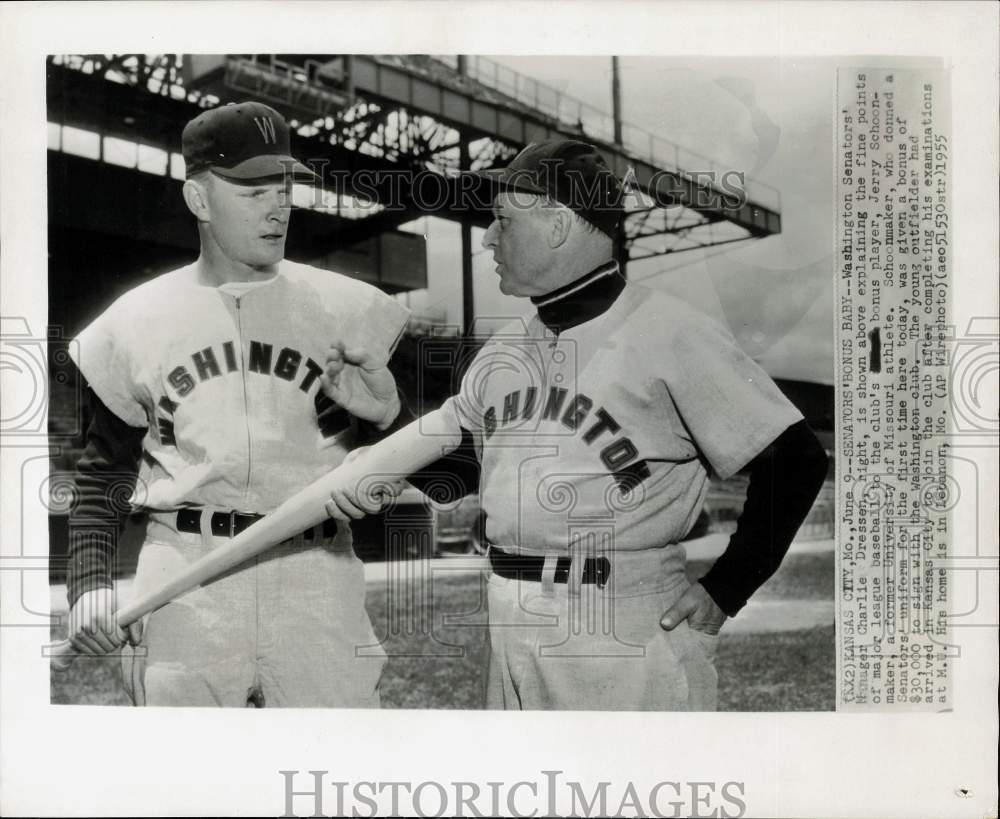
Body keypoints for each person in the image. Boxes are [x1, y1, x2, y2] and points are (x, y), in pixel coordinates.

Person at [326, 139, 828, 711]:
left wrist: (727, 588)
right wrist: (388, 417)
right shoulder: (502, 350)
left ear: (559, 223)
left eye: (502, 221)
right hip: (508, 608)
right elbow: (464, 478)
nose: (488, 238)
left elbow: (797, 459)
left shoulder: (672, 331)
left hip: (620, 612)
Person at [65, 101, 410, 707]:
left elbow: (428, 470)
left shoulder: (351, 307)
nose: (279, 205)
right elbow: (103, 475)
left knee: (334, 778)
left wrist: (391, 419)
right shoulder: (134, 319)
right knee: (190, 787)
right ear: (199, 200)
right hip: (186, 578)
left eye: (284, 186)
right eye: (253, 190)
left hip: (316, 572)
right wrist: (90, 582)